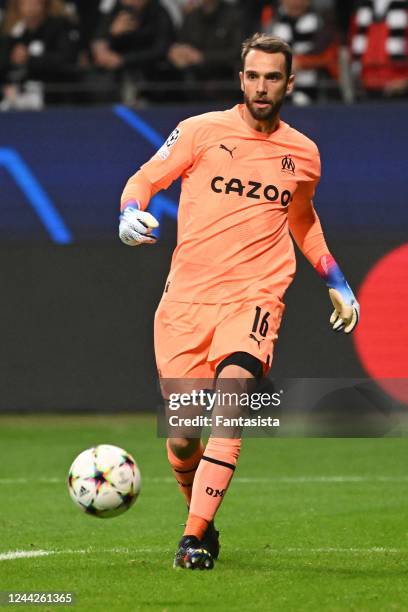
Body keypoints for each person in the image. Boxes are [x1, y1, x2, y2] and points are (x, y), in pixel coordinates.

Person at [118, 33, 360, 570]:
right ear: (241, 78)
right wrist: (129, 211)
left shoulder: (302, 154)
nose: (261, 86)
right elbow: (145, 177)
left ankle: (191, 538)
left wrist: (335, 278)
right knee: (183, 438)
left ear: (289, 83)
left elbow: (301, 218)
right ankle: (205, 523)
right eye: (253, 76)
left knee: (232, 403)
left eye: (273, 77)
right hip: (186, 302)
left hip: (255, 296)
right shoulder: (200, 132)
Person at [0, 0, 80, 109]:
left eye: (35, 3)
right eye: (26, 4)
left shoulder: (58, 26)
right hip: (15, 95)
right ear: (18, 6)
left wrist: (30, 59)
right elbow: (4, 65)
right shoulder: (13, 32)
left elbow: (66, 60)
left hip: (51, 97)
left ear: (44, 4)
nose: (31, 8)